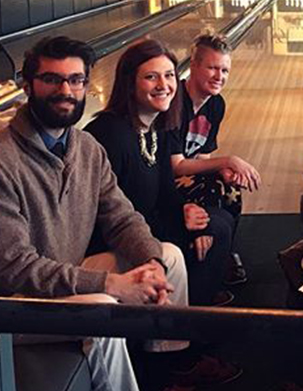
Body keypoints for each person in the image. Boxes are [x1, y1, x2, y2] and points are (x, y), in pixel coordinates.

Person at [0, 36, 189, 391]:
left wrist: (151, 263)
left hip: (63, 278)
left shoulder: (86, 148)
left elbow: (122, 218)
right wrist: (110, 284)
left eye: (75, 80)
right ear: (27, 86)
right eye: (52, 79)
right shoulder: (5, 160)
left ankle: (166, 372)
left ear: (87, 85)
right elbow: (16, 268)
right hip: (14, 305)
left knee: (169, 257)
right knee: (101, 307)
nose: (65, 91)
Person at [85, 40, 236, 308]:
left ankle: (197, 310)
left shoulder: (157, 131)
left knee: (214, 225)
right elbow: (111, 217)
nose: (163, 85)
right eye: (151, 77)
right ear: (130, 83)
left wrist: (185, 210)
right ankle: (194, 315)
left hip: (146, 224)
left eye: (169, 75)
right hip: (115, 239)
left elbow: (167, 192)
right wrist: (182, 227)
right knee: (208, 231)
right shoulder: (110, 135)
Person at [170, 34, 261, 284]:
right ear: (194, 66)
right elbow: (176, 166)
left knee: (230, 188)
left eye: (224, 70)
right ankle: (203, 252)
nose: (219, 76)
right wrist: (227, 161)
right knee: (217, 184)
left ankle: (224, 253)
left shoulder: (215, 104)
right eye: (212, 68)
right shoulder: (175, 102)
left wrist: (223, 171)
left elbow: (203, 158)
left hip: (187, 175)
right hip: (165, 181)